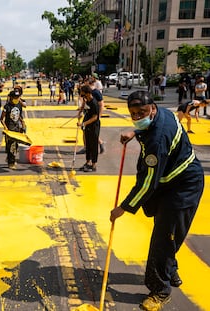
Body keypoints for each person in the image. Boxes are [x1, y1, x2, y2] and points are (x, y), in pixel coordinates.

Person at [110, 91, 204, 311]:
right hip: (170, 182)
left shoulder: (157, 140)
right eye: (133, 114)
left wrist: (123, 208)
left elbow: (147, 184)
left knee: (163, 240)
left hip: (183, 187)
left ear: (152, 108)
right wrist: (136, 131)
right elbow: (152, 126)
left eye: (141, 113)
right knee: (168, 234)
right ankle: (169, 270)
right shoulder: (164, 114)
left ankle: (160, 290)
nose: (137, 117)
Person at [77, 85, 100, 172]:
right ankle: (88, 162)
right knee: (88, 145)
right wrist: (80, 112)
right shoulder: (86, 100)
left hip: (94, 126)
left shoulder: (94, 103)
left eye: (84, 95)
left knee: (93, 145)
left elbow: (95, 117)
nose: (83, 97)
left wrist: (83, 123)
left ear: (88, 93)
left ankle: (94, 165)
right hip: (87, 125)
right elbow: (84, 107)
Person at [1, 88, 25, 170]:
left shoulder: (19, 105)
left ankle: (9, 158)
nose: (16, 99)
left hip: (17, 128)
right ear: (11, 98)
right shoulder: (7, 106)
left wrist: (23, 124)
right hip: (9, 129)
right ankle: (11, 162)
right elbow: (1, 119)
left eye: (18, 97)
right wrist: (5, 128)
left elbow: (20, 116)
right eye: (15, 98)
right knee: (10, 146)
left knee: (16, 146)